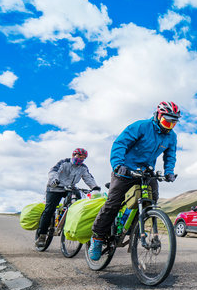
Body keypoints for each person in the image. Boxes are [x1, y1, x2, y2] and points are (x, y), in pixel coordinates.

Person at [88, 101, 179, 260]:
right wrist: (118, 165)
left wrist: (169, 172)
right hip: (125, 170)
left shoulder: (171, 136)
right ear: (158, 116)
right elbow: (120, 144)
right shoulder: (141, 126)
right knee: (113, 204)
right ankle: (97, 238)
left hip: (146, 172)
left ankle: (133, 228)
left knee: (151, 202)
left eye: (173, 123)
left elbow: (170, 156)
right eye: (167, 122)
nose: (169, 126)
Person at [35, 148, 101, 247]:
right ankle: (42, 236)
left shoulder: (83, 168)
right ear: (73, 155)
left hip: (70, 189)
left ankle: (69, 220)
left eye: (83, 158)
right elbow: (53, 171)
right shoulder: (64, 162)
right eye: (79, 156)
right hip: (55, 188)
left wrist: (95, 187)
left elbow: (88, 177)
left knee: (78, 205)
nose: (81, 159)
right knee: (49, 210)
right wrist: (54, 180)